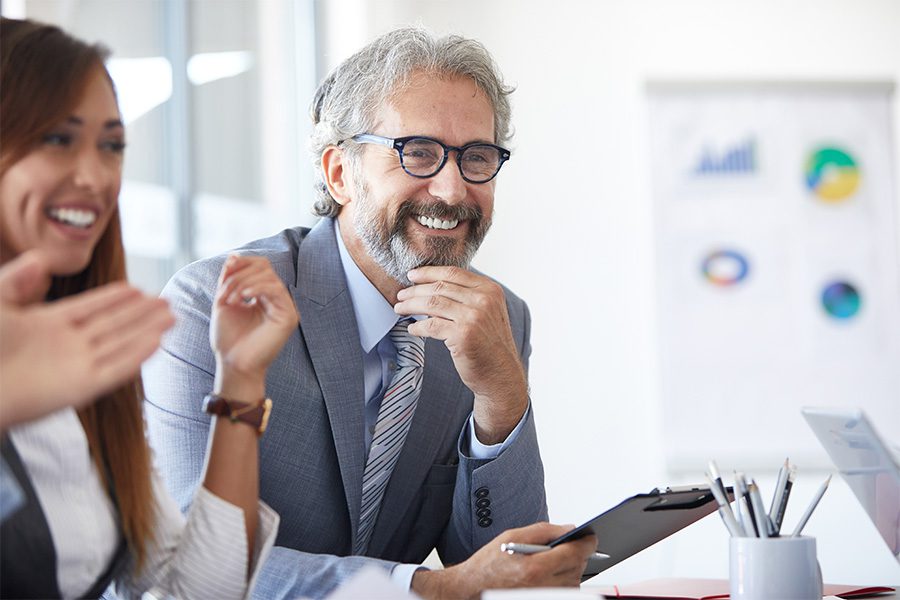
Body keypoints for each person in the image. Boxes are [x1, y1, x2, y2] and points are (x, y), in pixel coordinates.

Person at [144, 26, 596, 599]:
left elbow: (505, 574)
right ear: (340, 173)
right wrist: (425, 588)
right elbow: (184, 565)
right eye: (419, 153)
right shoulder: (214, 305)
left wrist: (502, 400)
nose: (453, 190)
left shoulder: (498, 317)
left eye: (476, 157)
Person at [0, 18, 296, 599]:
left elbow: (196, 593)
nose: (95, 176)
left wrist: (239, 374)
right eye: (59, 138)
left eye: (111, 146)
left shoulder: (85, 357)